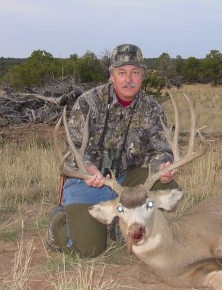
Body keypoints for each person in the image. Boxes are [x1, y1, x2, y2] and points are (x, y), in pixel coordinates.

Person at [48, 44, 179, 257]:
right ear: (112, 75)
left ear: (143, 76)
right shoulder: (89, 102)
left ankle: (122, 224)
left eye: (135, 73)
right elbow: (73, 152)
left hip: (126, 180)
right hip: (88, 181)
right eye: (122, 73)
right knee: (89, 249)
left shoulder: (151, 108)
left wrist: (163, 166)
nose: (128, 79)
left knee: (168, 184)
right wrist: (88, 168)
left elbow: (160, 149)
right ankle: (58, 219)